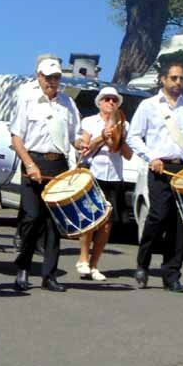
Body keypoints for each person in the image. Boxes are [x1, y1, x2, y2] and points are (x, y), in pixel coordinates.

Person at [11, 58, 82, 293]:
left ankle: (49, 275)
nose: (52, 82)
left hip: (58, 165)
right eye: (48, 77)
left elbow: (75, 136)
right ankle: (23, 267)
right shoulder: (28, 100)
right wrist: (29, 164)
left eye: (56, 77)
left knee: (54, 224)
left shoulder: (68, 104)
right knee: (31, 218)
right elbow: (16, 138)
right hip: (34, 163)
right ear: (39, 77)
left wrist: (84, 142)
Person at [126, 61, 183, 293]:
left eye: (181, 78)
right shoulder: (148, 105)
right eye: (173, 78)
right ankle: (143, 263)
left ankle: (172, 275)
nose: (178, 83)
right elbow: (133, 137)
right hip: (159, 170)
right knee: (158, 216)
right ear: (162, 79)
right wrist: (152, 157)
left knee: (179, 224)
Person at [76, 87, 132, 281]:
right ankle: (83, 258)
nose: (110, 103)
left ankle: (94, 264)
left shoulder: (124, 124)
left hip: (114, 176)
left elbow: (128, 155)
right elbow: (84, 149)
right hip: (95, 174)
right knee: (91, 219)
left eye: (114, 100)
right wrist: (102, 135)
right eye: (107, 99)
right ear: (99, 102)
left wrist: (119, 137)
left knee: (107, 224)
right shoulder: (89, 122)